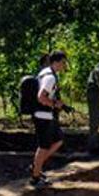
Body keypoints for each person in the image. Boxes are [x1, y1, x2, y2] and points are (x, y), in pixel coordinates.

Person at [30, 51, 68, 188]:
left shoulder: (45, 72)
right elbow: (41, 97)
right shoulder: (50, 77)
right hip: (43, 115)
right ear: (56, 62)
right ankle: (35, 176)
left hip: (46, 115)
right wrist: (54, 104)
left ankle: (36, 167)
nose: (64, 65)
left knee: (58, 140)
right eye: (63, 62)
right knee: (44, 146)